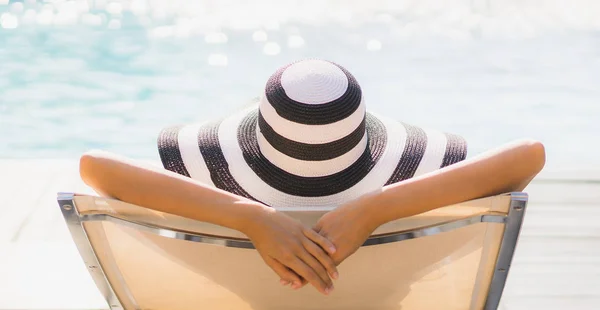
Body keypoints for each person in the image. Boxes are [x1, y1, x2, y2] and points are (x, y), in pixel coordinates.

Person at [79, 59, 545, 297]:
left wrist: (248, 217)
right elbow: (528, 155)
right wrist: (376, 208)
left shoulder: (213, 207)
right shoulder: (399, 212)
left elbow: (95, 167)